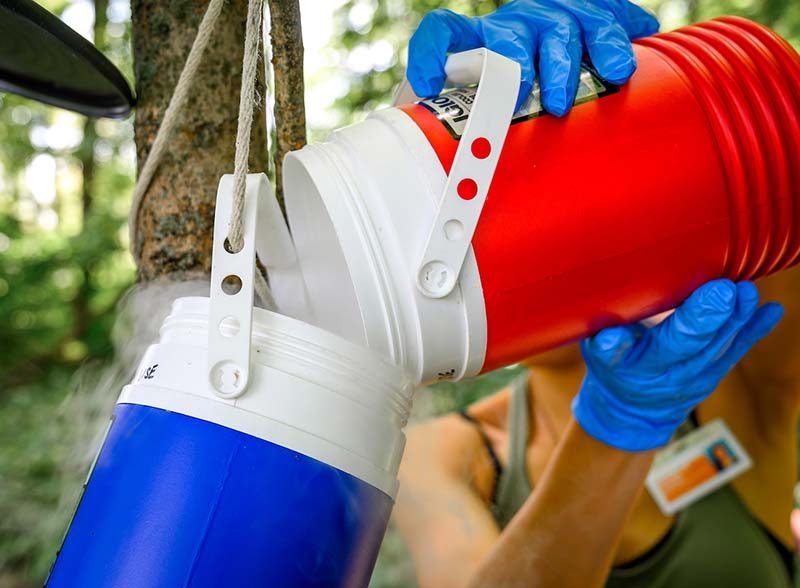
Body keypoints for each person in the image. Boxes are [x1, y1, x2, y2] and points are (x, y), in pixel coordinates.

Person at [394, 2, 800, 587]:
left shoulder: (728, 373)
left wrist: (662, 114)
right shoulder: (449, 452)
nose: (549, 239)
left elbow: (779, 175)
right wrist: (614, 429)